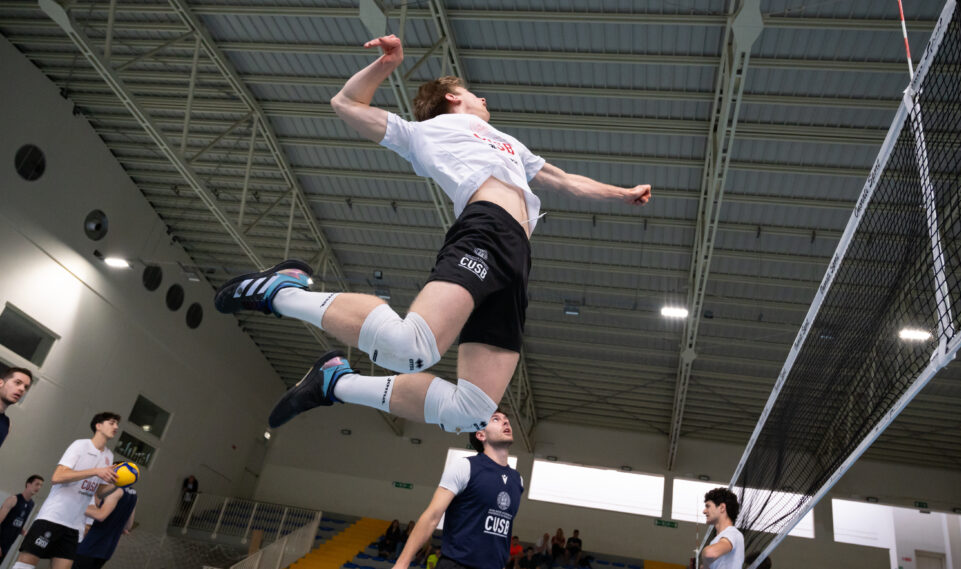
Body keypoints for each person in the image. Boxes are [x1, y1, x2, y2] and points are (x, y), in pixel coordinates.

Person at [215, 34, 651, 435]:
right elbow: (345, 103)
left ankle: (336, 384)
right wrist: (387, 64)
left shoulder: (509, 144)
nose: (483, 98)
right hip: (485, 229)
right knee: (411, 347)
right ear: (451, 97)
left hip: (518, 256)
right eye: (473, 93)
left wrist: (622, 193)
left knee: (471, 412)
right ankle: (281, 292)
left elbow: (563, 179)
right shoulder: (423, 133)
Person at [392, 411, 523, 569]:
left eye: (506, 419)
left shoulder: (517, 480)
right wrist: (402, 563)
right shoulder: (465, 467)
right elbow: (432, 517)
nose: (505, 422)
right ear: (481, 435)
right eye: (495, 419)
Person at [11, 413, 119, 569]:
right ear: (98, 426)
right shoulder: (80, 445)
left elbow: (98, 492)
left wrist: (118, 483)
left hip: (74, 527)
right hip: (53, 518)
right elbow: (57, 477)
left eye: (117, 424)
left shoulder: (109, 456)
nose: (116, 427)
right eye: (112, 423)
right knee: (24, 566)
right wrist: (95, 471)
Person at [71, 484, 137, 569]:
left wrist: (72, 505)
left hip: (90, 545)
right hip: (107, 550)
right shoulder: (133, 494)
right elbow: (128, 526)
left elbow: (100, 516)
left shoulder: (116, 491)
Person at [0, 475, 43, 564]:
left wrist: (27, 534)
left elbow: (17, 524)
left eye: (40, 485)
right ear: (28, 484)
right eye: (37, 484)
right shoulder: (13, 499)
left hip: (7, 545)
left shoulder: (31, 504)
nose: (39, 487)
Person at [700, 488, 744, 569]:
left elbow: (709, 553)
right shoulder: (718, 539)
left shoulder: (732, 533)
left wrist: (706, 565)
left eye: (708, 506)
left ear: (722, 508)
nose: (704, 511)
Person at [0, 367, 33, 449]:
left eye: (26, 387)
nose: (22, 389)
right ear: (0, 383)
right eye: (17, 383)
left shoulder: (7, 425)